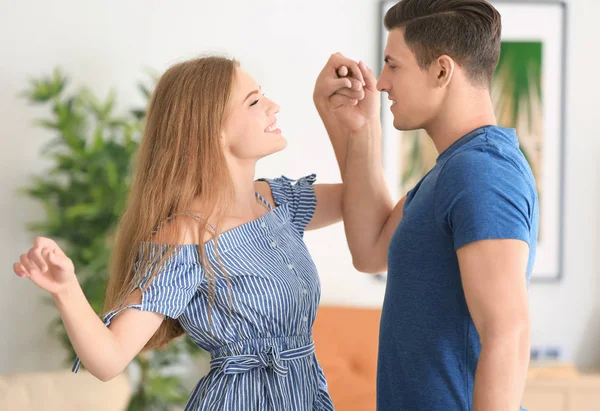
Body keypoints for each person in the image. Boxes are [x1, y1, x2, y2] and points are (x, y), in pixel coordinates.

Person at [12, 55, 360, 410]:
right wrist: (66, 288)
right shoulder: (186, 236)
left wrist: (350, 123)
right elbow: (109, 359)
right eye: (254, 101)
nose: (274, 107)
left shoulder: (277, 201)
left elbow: (363, 199)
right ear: (212, 129)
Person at [313, 0, 539, 410]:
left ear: (441, 70)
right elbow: (369, 249)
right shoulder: (451, 171)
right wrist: (357, 127)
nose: (381, 84)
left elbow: (508, 333)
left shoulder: (481, 171)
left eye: (393, 65)